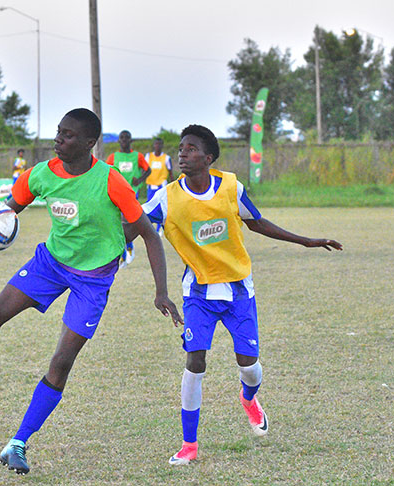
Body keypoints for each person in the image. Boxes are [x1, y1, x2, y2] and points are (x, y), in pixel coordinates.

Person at [0, 108, 182, 475]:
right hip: (50, 264)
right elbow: (0, 218)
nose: (59, 139)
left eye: (69, 135)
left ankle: (18, 443)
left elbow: (150, 234)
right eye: (58, 132)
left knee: (61, 361)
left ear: (90, 143)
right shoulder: (41, 174)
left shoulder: (110, 181)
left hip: (93, 280)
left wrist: (161, 292)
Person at [127, 124, 343, 466]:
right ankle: (189, 445)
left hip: (239, 290)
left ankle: (249, 398)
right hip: (197, 294)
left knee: (250, 367)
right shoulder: (166, 197)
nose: (182, 153)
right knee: (195, 363)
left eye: (191, 148)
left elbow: (256, 222)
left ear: (209, 158)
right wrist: (115, 242)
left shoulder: (230, 186)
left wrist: (307, 241)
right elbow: (135, 225)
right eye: (181, 148)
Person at [105, 130, 151, 268]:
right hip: (115, 194)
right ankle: (123, 256)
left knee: (127, 223)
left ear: (131, 141)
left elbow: (148, 170)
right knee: (117, 224)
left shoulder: (138, 156)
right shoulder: (113, 157)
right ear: (118, 141)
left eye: (127, 138)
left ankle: (128, 247)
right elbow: (105, 172)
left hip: (131, 194)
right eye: (122, 138)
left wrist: (140, 180)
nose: (124, 140)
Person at [145, 137, 174, 234]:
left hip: (162, 185)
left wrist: (173, 186)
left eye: (160, 144)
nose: (158, 146)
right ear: (154, 145)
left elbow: (170, 173)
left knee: (162, 207)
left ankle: (159, 229)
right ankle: (150, 228)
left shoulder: (166, 158)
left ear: (162, 146)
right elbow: (144, 170)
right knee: (149, 208)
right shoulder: (148, 156)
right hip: (150, 186)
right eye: (156, 144)